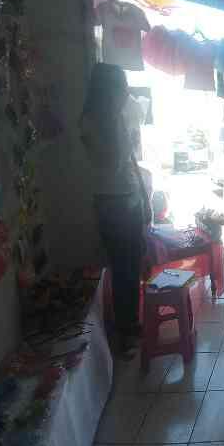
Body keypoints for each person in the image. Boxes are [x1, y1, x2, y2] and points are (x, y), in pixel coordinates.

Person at [80, 63, 150, 357]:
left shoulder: (116, 117)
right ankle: (127, 333)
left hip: (129, 199)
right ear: (107, 90)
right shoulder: (91, 123)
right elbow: (110, 163)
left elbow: (130, 162)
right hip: (112, 204)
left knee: (132, 265)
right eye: (121, 87)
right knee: (124, 269)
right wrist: (120, 134)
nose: (125, 93)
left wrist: (144, 197)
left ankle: (131, 325)